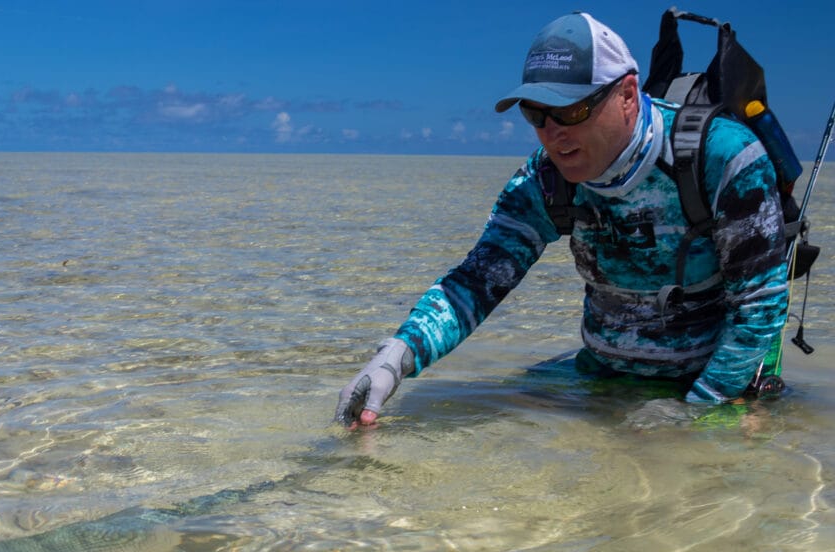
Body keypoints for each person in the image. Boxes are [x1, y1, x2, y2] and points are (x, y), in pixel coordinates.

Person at [335, 11, 789, 427]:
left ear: (628, 95)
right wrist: (399, 354)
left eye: (572, 110)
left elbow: (760, 308)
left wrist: (693, 413)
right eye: (537, 113)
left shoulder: (724, 155)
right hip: (602, 371)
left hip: (724, 383)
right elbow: (477, 280)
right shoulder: (546, 179)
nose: (554, 133)